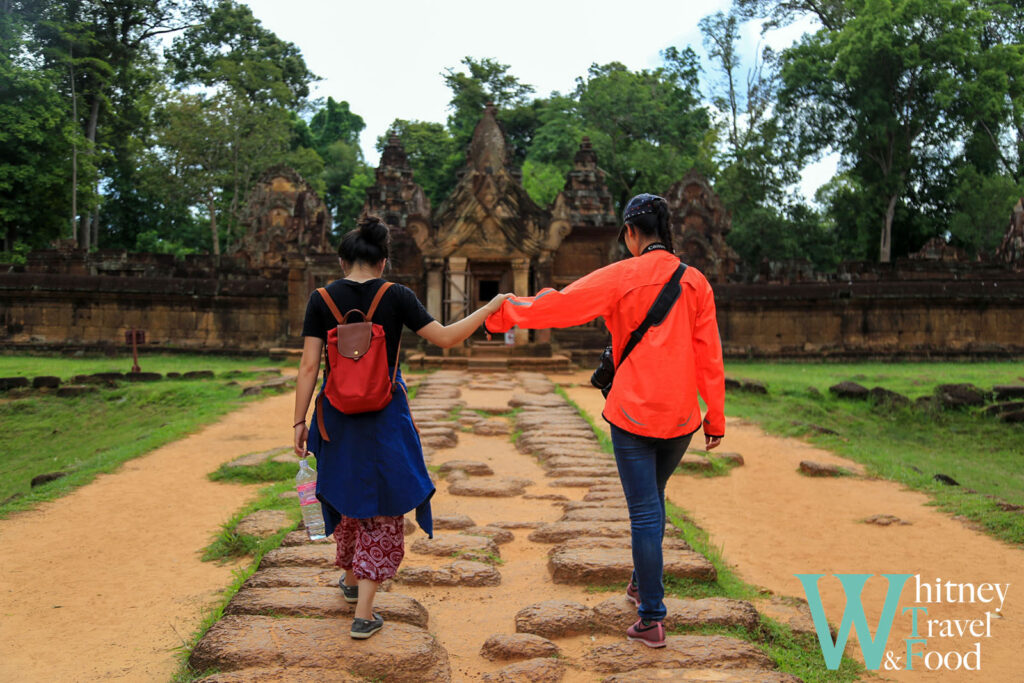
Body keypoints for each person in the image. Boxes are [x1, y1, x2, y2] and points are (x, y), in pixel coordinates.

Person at [483, 193, 725, 648]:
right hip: (681, 418)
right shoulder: (696, 283)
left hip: (633, 412)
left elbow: (560, 306)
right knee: (653, 498)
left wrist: (503, 315)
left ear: (631, 234)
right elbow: (709, 354)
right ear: (666, 231)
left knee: (644, 510)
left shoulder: (622, 275)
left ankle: (652, 616)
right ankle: (640, 584)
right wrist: (715, 416)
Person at [292, 215, 512, 640]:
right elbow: (446, 338)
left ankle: (353, 582)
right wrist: (489, 307)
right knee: (384, 505)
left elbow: (307, 367)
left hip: (335, 417)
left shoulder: (321, 299)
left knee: (348, 494)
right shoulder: (397, 296)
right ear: (383, 263)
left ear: (342, 261)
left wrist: (299, 421)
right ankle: (365, 612)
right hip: (385, 417)